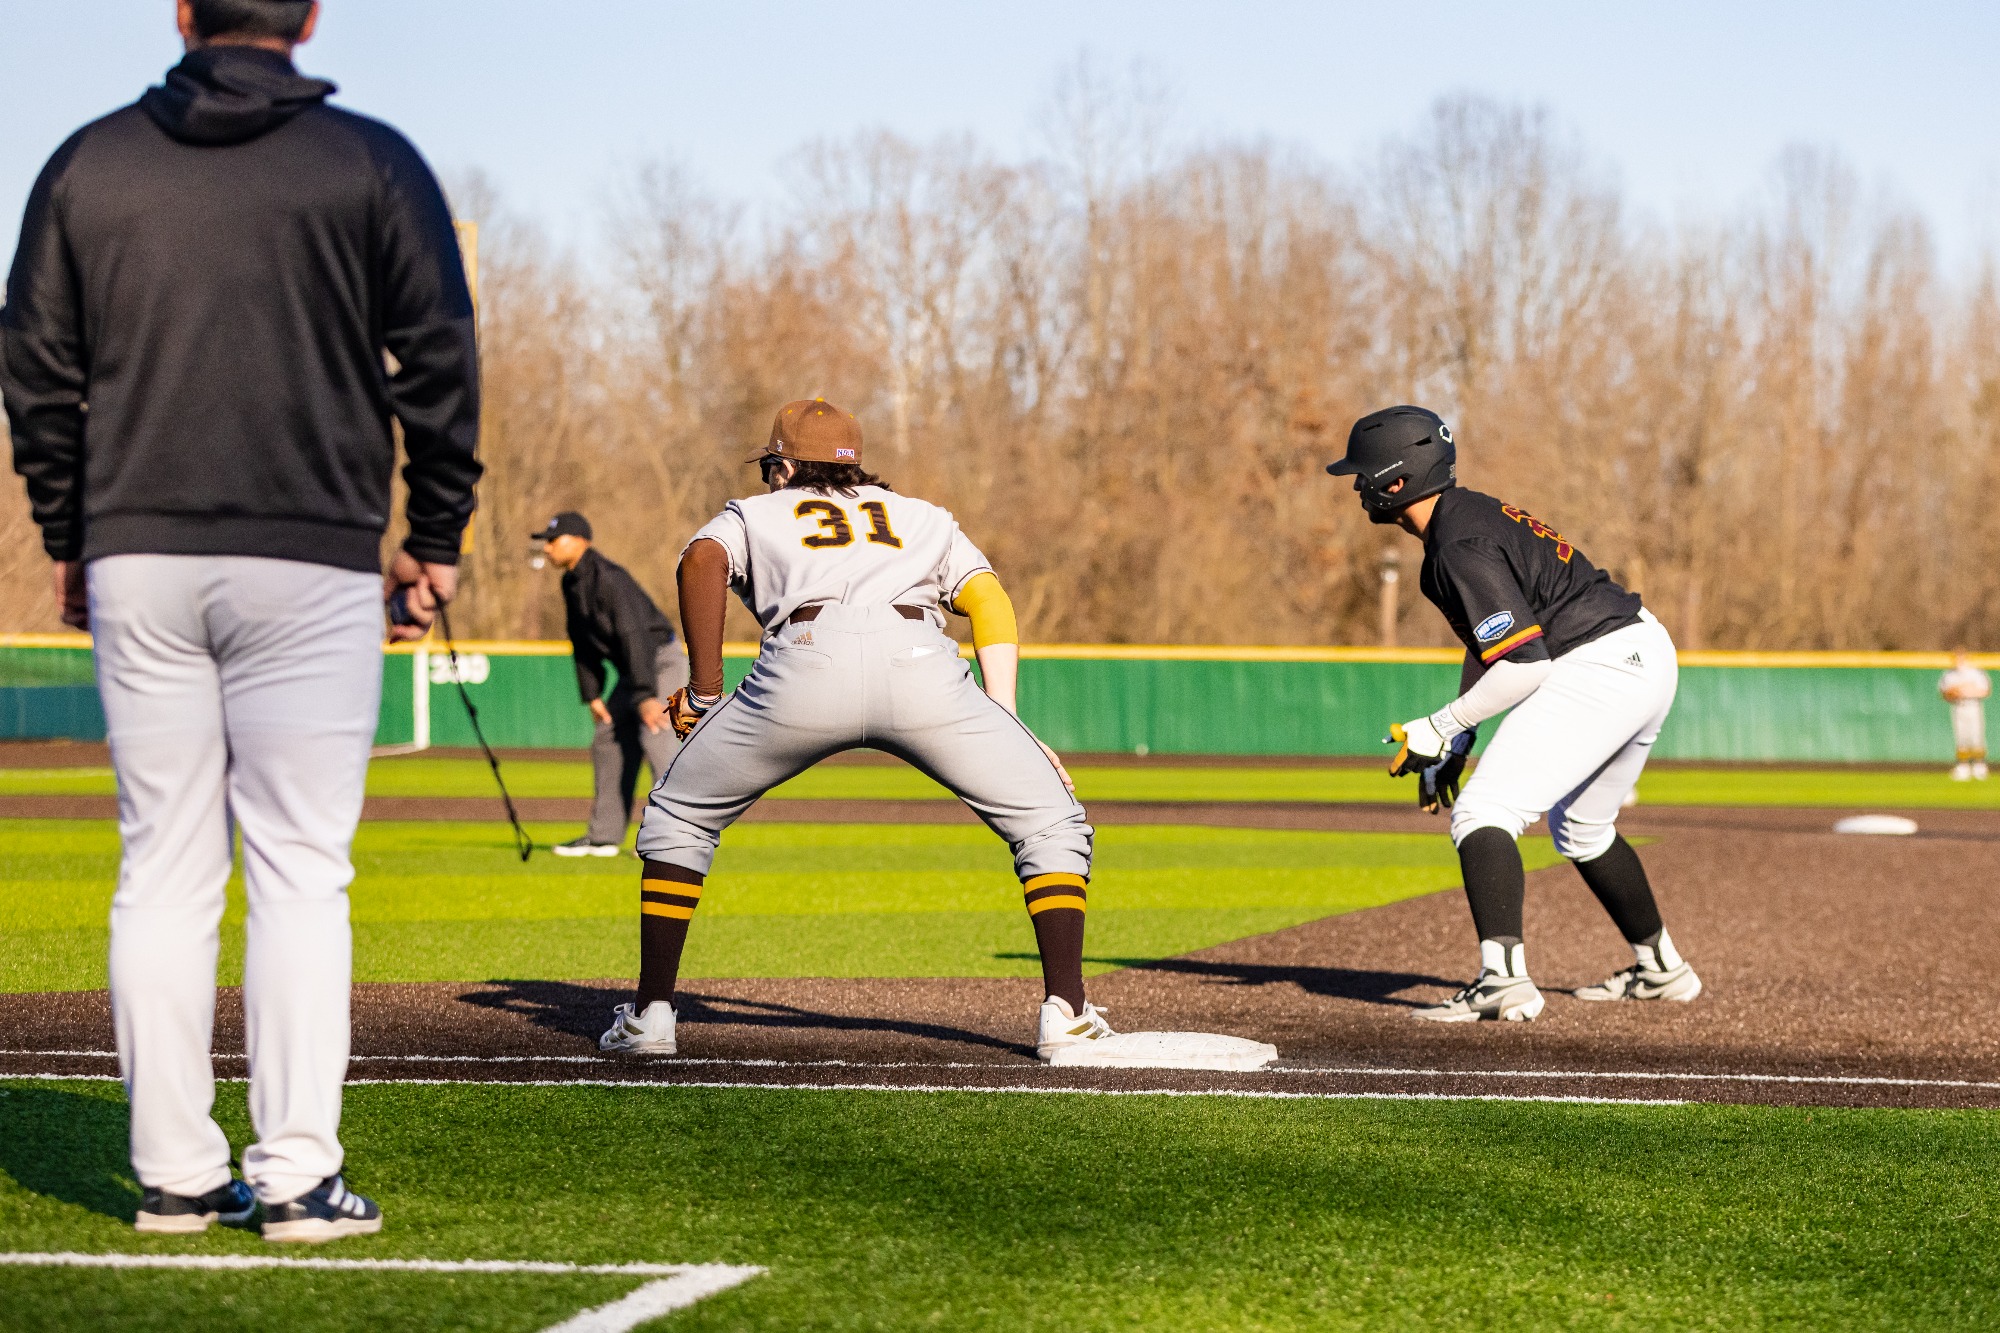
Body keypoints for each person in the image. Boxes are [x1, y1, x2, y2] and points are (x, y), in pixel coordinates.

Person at [2, 0, 480, 1238]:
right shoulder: (371, 160)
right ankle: (295, 1177)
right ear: (309, 16)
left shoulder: (88, 160)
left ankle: (172, 1174)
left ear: (181, 11)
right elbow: (438, 360)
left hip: (141, 548)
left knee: (161, 867)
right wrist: (434, 536)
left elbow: (36, 369)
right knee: (299, 872)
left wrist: (69, 532)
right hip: (309, 555)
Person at [604, 399, 1111, 1059]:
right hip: (921, 662)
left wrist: (703, 694)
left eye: (770, 467)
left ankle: (651, 1017)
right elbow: (987, 597)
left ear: (785, 466)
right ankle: (1067, 1012)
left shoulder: (757, 512)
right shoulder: (923, 515)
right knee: (1051, 822)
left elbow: (701, 561)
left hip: (805, 658)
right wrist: (1005, 721)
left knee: (679, 815)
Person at [1325, 407, 1701, 1022]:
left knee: (1485, 812)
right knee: (1583, 828)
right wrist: (1462, 738)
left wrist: (1439, 726)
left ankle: (1502, 981)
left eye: (1363, 474)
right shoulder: (1466, 516)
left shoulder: (1456, 545)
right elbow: (1494, 648)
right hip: (1645, 651)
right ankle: (1662, 969)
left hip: (1600, 661)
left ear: (1397, 479)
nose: (1357, 487)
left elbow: (1526, 665)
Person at [531, 511, 688, 854]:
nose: (547, 547)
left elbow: (635, 635)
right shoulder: (572, 582)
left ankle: (674, 837)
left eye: (553, 540)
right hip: (635, 669)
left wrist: (645, 696)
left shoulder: (609, 579)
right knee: (608, 738)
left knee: (657, 737)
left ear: (579, 541)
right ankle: (604, 836)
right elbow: (582, 642)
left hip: (659, 660)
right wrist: (592, 694)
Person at [1939, 650, 1990, 781]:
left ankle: (1979, 766)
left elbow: (1985, 690)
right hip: (1958, 705)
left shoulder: (1975, 673)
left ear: (1966, 658)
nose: (1959, 661)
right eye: (1956, 658)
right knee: (1961, 737)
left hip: (1973, 705)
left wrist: (1967, 690)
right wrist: (1957, 691)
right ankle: (1963, 766)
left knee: (1976, 736)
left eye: (1961, 658)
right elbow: (1945, 692)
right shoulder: (1949, 675)